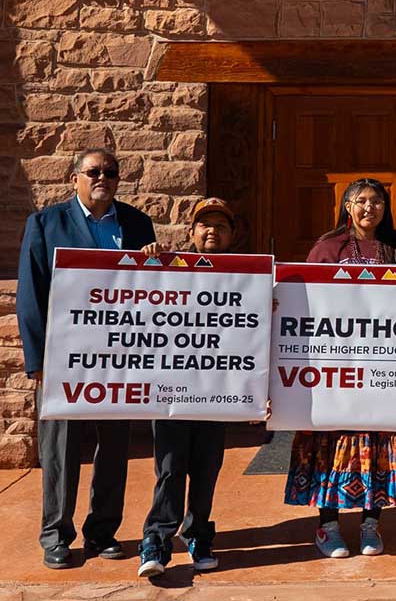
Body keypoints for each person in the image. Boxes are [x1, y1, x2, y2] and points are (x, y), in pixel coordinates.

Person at [16, 147, 157, 569]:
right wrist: (37, 360)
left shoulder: (136, 223)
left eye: (110, 172)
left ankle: (102, 531)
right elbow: (31, 295)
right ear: (74, 177)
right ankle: (56, 535)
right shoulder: (45, 223)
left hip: (119, 357)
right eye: (93, 171)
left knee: (115, 446)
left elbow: (152, 292)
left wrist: (156, 265)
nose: (103, 178)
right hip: (63, 357)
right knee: (60, 449)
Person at [284, 178, 396, 559]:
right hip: (337, 370)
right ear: (347, 206)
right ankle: (327, 525)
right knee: (331, 444)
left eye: (377, 201)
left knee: (378, 444)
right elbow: (304, 302)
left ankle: (370, 524)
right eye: (360, 201)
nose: (369, 208)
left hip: (384, 370)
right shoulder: (327, 248)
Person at [134, 198, 238, 577]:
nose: (212, 231)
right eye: (205, 225)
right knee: (170, 468)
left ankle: (198, 534)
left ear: (232, 235)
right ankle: (157, 539)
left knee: (207, 467)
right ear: (191, 233)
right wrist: (150, 259)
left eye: (221, 226)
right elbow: (135, 300)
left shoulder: (244, 276)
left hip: (217, 393)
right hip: (173, 392)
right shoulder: (167, 269)